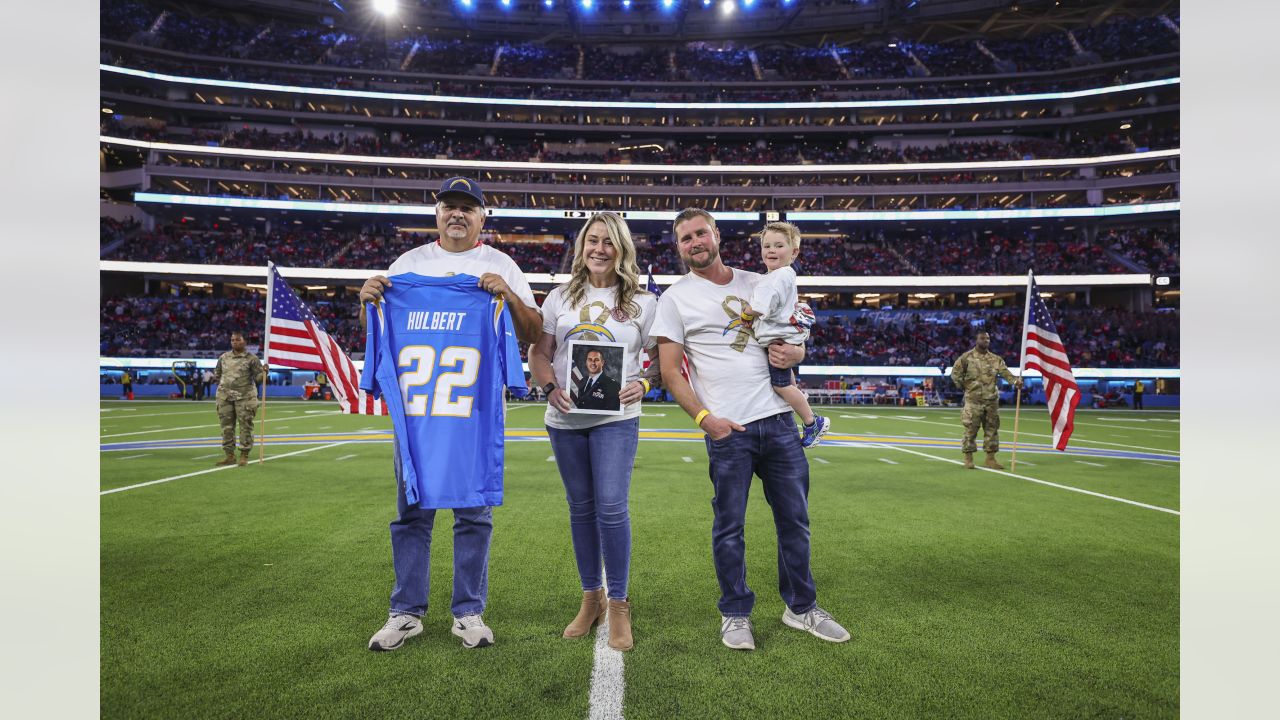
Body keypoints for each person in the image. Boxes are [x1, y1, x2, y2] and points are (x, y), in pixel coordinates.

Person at [651, 207, 850, 651]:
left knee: (795, 523)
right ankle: (735, 613)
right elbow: (670, 372)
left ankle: (801, 607)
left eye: (701, 233)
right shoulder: (674, 298)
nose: (695, 242)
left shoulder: (760, 279)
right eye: (685, 238)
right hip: (729, 430)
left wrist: (797, 355)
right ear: (679, 247)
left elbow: (796, 329)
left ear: (716, 234)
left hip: (778, 422)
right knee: (729, 527)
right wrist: (706, 421)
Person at [358, 176, 542, 652]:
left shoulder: (499, 264)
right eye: (449, 206)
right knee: (411, 513)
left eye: (467, 208)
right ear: (437, 213)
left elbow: (533, 330)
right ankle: (405, 611)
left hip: (473, 413)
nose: (457, 214)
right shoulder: (408, 264)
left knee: (473, 513)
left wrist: (510, 295)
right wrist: (369, 299)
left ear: (482, 217)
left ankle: (468, 610)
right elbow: (374, 324)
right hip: (418, 416)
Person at [528, 211, 658, 652]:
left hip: (615, 419)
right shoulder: (558, 297)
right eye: (592, 240)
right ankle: (591, 597)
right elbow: (540, 352)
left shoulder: (643, 301)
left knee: (612, 507)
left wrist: (643, 382)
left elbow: (661, 360)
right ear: (582, 246)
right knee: (580, 509)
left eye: (609, 242)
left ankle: (619, 602)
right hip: (565, 419)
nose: (599, 249)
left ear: (622, 249)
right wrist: (549, 387)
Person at [738, 221, 830, 448]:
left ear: (794, 251)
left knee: (781, 386)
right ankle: (800, 402)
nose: (771, 250)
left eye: (779, 246)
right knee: (787, 382)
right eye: (766, 245)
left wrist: (746, 315)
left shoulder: (777, 277)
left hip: (778, 339)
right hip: (780, 336)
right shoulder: (780, 275)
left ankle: (811, 420)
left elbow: (759, 306)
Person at [950, 330, 1023, 470]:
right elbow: (955, 374)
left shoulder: (996, 359)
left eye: (988, 338)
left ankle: (990, 459)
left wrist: (1015, 382)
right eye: (983, 338)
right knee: (971, 429)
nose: (986, 341)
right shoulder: (966, 358)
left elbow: (1006, 373)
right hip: (973, 401)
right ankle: (968, 458)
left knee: (992, 430)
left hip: (991, 401)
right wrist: (965, 387)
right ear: (976, 340)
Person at [213, 331, 266, 467]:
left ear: (244, 342)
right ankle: (229, 455)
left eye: (237, 340)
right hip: (225, 397)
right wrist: (223, 384)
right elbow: (217, 374)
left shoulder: (252, 358)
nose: (234, 342)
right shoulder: (224, 357)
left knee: (245, 426)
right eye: (232, 340)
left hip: (245, 397)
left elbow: (259, 379)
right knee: (226, 428)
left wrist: (264, 373)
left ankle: (244, 455)